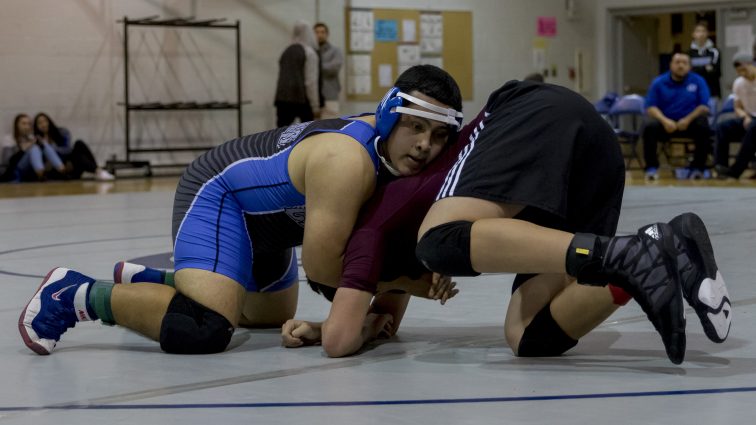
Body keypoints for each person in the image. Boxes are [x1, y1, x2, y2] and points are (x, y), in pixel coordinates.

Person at [18, 65, 464, 356]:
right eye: (415, 127)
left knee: (267, 320)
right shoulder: (345, 161)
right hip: (219, 196)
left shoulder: (401, 166)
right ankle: (77, 294)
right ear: (389, 119)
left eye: (439, 135)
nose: (426, 146)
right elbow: (327, 270)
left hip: (273, 225)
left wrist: (395, 288)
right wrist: (409, 280)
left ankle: (166, 281)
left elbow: (378, 265)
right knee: (204, 328)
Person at [412, 80, 731, 365]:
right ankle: (658, 248)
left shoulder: (378, 161)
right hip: (595, 143)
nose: (424, 145)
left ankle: (625, 254)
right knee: (527, 336)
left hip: (536, 113)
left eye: (428, 130)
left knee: (437, 242)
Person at [642, 52, 711, 180]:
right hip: (667, 124)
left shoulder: (698, 81)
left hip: (690, 122)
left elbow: (704, 106)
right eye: (677, 62)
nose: (680, 66)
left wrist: (687, 120)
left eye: (684, 63)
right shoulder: (659, 82)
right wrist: (665, 121)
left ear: (689, 66)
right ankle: (651, 168)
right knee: (649, 126)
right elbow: (650, 107)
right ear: (671, 65)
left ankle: (697, 168)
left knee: (703, 125)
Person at [33, 113, 114, 181]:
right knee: (76, 156)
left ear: (49, 121)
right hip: (58, 170)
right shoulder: (36, 140)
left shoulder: (62, 132)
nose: (43, 124)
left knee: (79, 144)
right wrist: (44, 145)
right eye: (39, 123)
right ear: (36, 126)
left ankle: (97, 171)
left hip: (70, 162)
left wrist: (51, 146)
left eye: (45, 121)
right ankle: (97, 171)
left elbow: (68, 150)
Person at [715, 53, 756, 179]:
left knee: (753, 129)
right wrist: (745, 116)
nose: (743, 73)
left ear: (752, 65)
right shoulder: (738, 83)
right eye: (739, 71)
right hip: (749, 117)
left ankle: (736, 170)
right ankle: (721, 166)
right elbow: (737, 107)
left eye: (744, 69)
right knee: (723, 127)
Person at [274, 20, 321, 127]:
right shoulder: (309, 52)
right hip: (301, 100)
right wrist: (315, 106)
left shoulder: (286, 51)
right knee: (308, 135)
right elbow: (310, 82)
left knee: (281, 136)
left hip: (282, 99)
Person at [1, 114, 67, 182]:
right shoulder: (9, 139)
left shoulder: (32, 137)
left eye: (29, 124)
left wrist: (42, 143)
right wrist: (23, 149)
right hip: (16, 169)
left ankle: (62, 170)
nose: (26, 126)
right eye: (23, 124)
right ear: (17, 125)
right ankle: (41, 174)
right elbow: (7, 161)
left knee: (43, 145)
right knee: (34, 148)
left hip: (31, 169)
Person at [314, 23, 344, 119]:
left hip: (329, 96)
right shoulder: (310, 51)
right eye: (317, 32)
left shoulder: (335, 51)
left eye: (322, 32)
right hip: (313, 99)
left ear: (327, 34)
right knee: (313, 131)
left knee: (330, 129)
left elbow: (334, 68)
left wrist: (315, 67)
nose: (320, 35)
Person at [688, 21, 721, 100]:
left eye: (703, 31)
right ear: (693, 34)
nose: (701, 34)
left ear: (707, 33)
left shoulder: (715, 52)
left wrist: (697, 67)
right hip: (693, 92)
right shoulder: (688, 53)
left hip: (711, 92)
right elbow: (688, 72)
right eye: (698, 31)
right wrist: (706, 68)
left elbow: (716, 72)